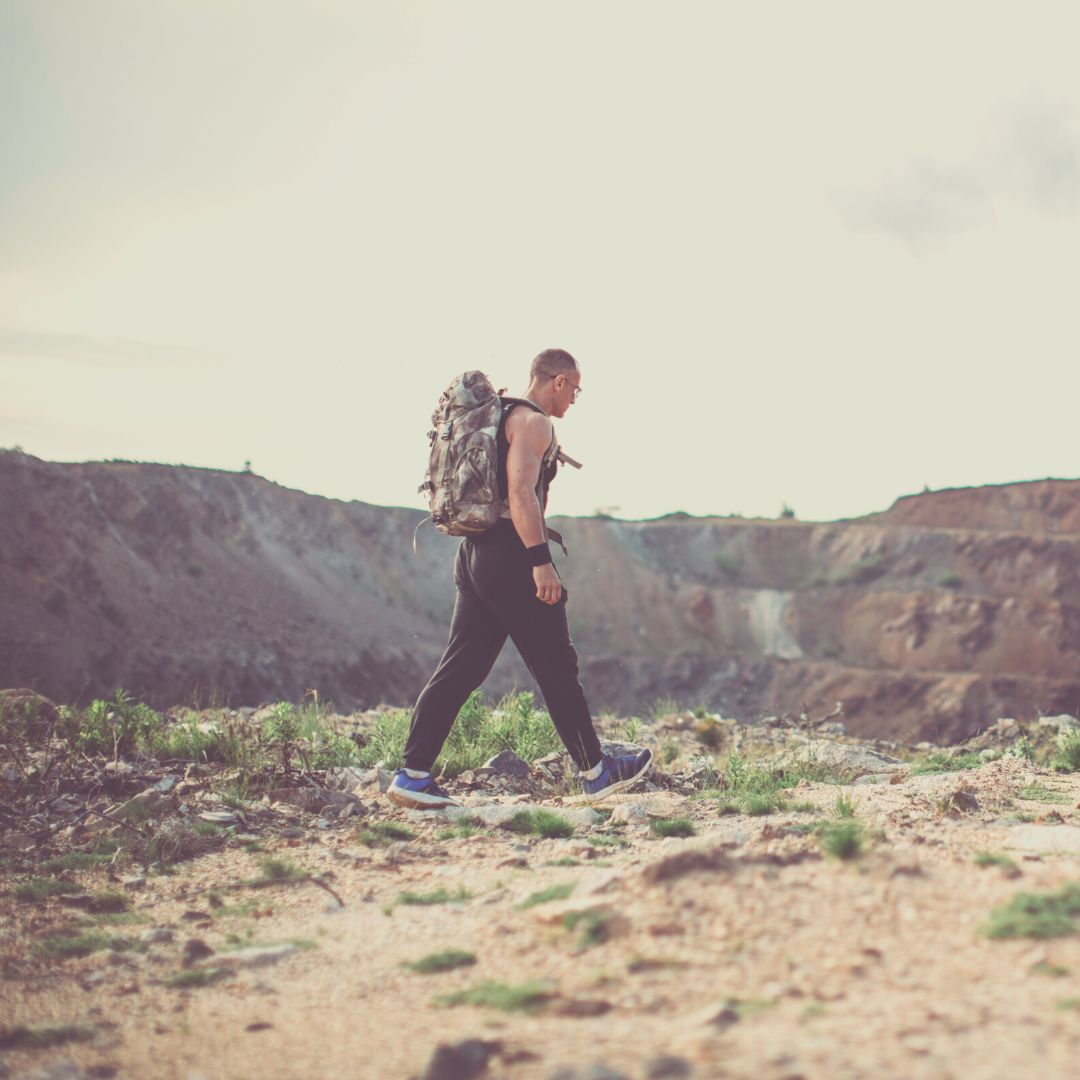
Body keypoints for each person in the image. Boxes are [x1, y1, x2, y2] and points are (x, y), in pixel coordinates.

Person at [388, 348, 653, 809]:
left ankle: (412, 774)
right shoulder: (534, 423)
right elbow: (520, 492)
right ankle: (596, 772)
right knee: (555, 664)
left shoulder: (500, 415)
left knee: (461, 668)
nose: (573, 399)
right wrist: (540, 561)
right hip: (512, 555)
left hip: (474, 553)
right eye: (574, 389)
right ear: (557, 381)